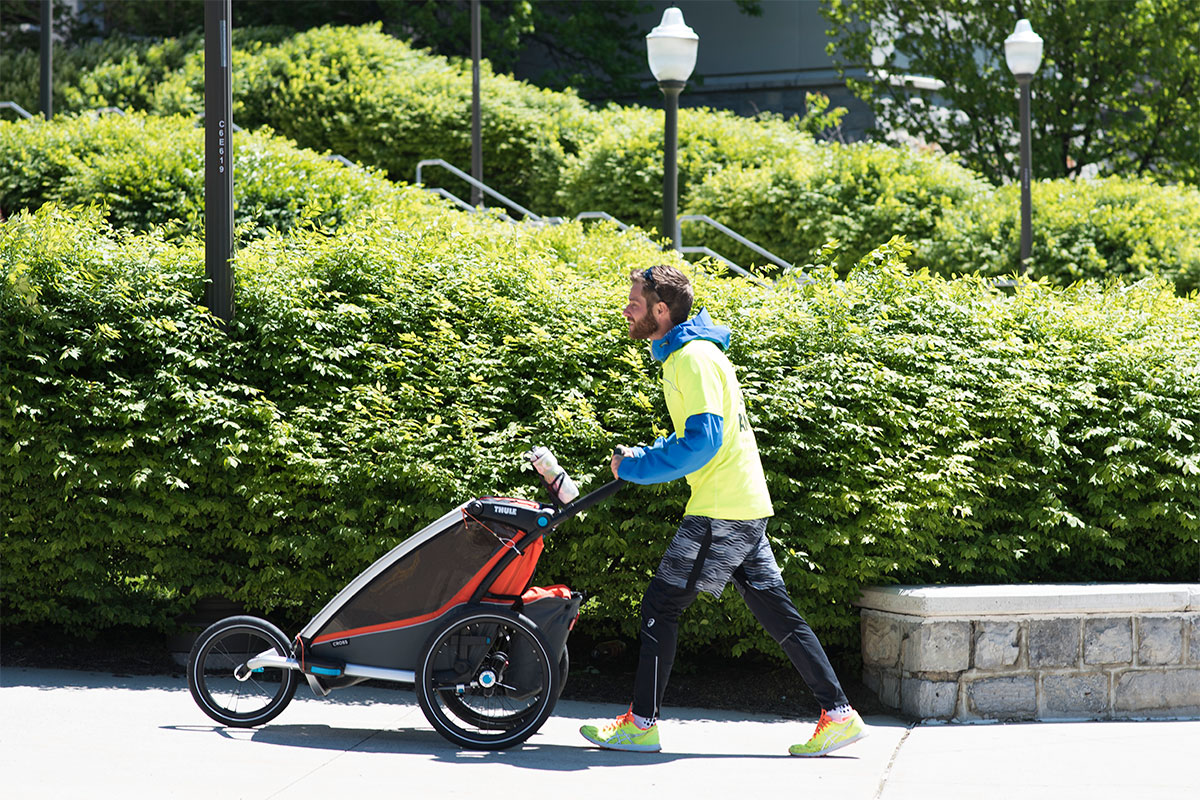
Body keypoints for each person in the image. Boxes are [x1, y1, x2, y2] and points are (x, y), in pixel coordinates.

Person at [579, 265, 867, 757]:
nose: (626, 308)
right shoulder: (686, 356)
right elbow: (698, 433)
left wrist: (638, 469)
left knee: (660, 607)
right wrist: (645, 455)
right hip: (737, 501)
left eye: (634, 301)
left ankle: (642, 724)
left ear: (661, 310)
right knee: (776, 611)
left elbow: (705, 441)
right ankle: (839, 714)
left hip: (722, 509)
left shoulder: (692, 358)